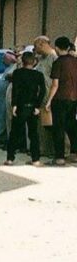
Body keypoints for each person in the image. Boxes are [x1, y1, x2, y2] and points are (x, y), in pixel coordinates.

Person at [6, 52, 46, 166]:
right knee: (34, 134)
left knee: (14, 132)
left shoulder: (17, 73)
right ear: (34, 62)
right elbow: (42, 91)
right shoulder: (38, 75)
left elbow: (15, 90)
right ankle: (36, 159)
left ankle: (10, 158)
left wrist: (14, 105)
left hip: (21, 105)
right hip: (33, 106)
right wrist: (38, 105)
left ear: (22, 61)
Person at [48, 36, 77, 165]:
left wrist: (49, 101)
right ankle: (74, 153)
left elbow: (55, 84)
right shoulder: (75, 61)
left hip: (60, 98)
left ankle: (59, 156)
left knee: (58, 127)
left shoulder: (58, 62)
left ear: (57, 48)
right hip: (73, 98)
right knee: (72, 126)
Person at [33, 35, 57, 154]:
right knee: (42, 125)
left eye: (35, 45)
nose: (34, 48)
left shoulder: (53, 57)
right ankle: (44, 149)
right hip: (41, 96)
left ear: (42, 43)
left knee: (53, 124)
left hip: (50, 96)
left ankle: (61, 150)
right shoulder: (41, 59)